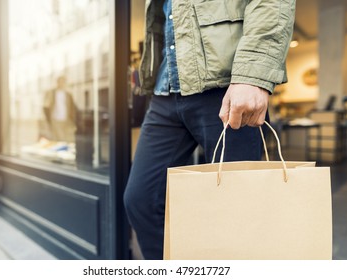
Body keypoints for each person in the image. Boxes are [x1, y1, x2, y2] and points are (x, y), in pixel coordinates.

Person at [124, 0, 296, 260]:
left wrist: (252, 75)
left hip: (226, 86)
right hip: (166, 89)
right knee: (141, 200)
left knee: (236, 212)